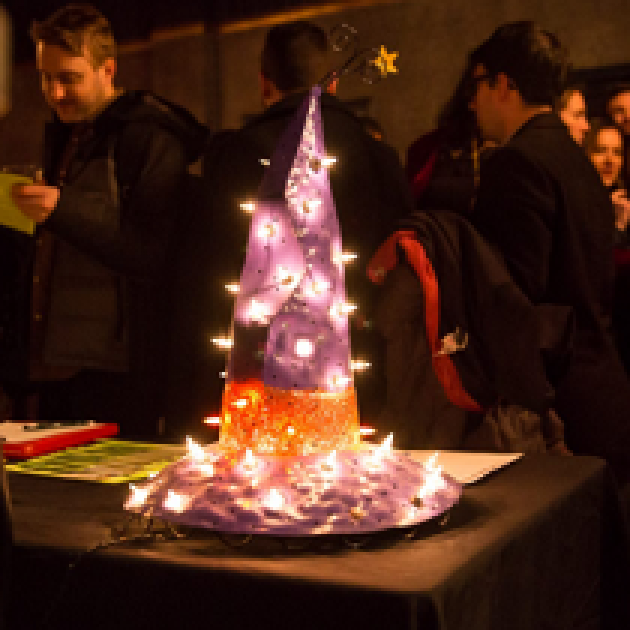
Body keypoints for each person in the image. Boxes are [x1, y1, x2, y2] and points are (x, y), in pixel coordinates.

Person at [176, 21, 413, 434]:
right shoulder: (375, 154)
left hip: (262, 369)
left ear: (265, 83)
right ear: (333, 83)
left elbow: (210, 266)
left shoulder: (237, 154)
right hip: (359, 364)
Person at [1, 4, 207, 437]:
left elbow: (150, 254)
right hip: (58, 367)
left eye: (69, 78)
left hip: (117, 375)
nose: (55, 93)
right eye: (45, 77)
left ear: (107, 69)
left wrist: (60, 208)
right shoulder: (71, 132)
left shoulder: (150, 139)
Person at [468, 21, 630, 483]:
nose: (472, 100)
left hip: (561, 403)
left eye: (478, 84)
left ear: (504, 84)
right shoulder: (573, 157)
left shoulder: (516, 162)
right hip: (604, 383)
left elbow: (517, 292)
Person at [583, 117, 629, 235]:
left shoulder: (622, 202)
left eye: (617, 152)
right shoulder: (571, 204)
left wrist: (620, 225)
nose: (610, 161)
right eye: (600, 150)